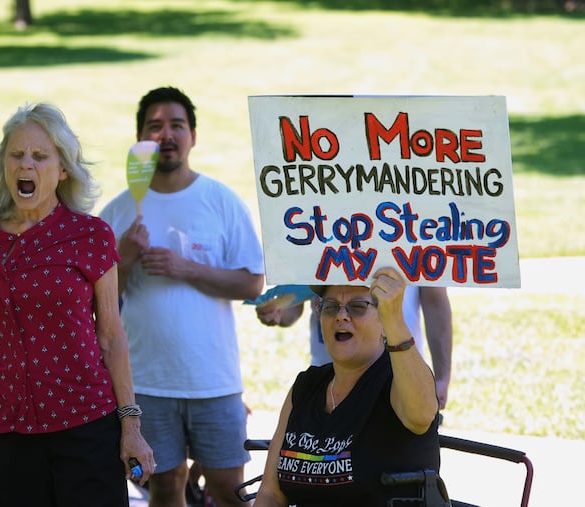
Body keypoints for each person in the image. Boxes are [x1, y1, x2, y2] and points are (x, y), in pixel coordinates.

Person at [0, 102, 154, 507]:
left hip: (85, 424)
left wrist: (131, 427)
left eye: (39, 156)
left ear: (63, 168)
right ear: (1, 164)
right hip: (4, 432)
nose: (25, 165)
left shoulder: (92, 235)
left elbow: (111, 338)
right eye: (16, 155)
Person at [99, 86, 265, 507]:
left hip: (214, 380)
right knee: (166, 485)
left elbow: (251, 283)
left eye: (177, 125)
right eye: (155, 126)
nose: (166, 135)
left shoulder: (220, 201)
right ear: (140, 138)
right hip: (146, 382)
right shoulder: (118, 213)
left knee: (230, 490)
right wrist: (125, 257)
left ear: (193, 135)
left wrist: (186, 268)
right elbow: (90, 302)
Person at [254, 267, 441, 507]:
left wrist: (396, 321)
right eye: (330, 306)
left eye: (358, 307)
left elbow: (421, 415)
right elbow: (271, 493)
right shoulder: (306, 387)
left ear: (384, 321)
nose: (341, 316)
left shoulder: (398, 379)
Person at [256, 285, 452, 410]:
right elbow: (298, 294)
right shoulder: (314, 223)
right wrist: (279, 312)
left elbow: (435, 300)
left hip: (398, 374)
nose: (342, 315)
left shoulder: (411, 225)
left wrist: (442, 377)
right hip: (327, 375)